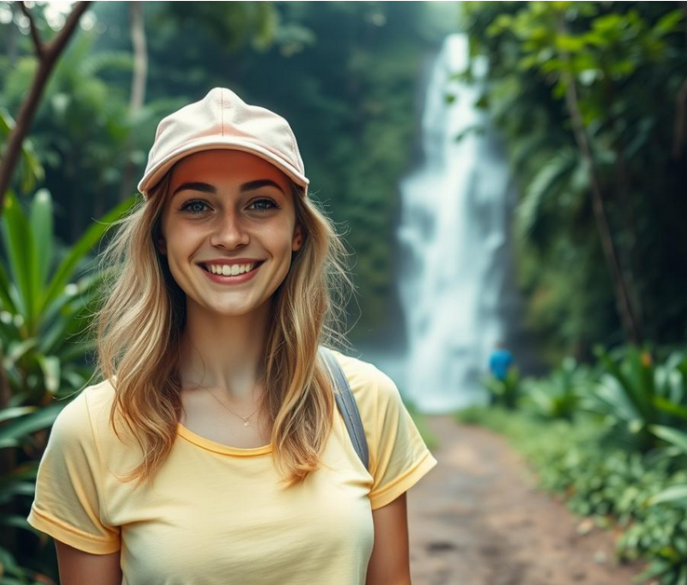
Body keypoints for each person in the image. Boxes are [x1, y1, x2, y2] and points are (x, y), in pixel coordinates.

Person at [26, 87, 438, 585]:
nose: (229, 235)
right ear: (161, 235)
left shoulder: (366, 404)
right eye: (197, 207)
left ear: (297, 232)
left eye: (260, 204)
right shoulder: (92, 431)